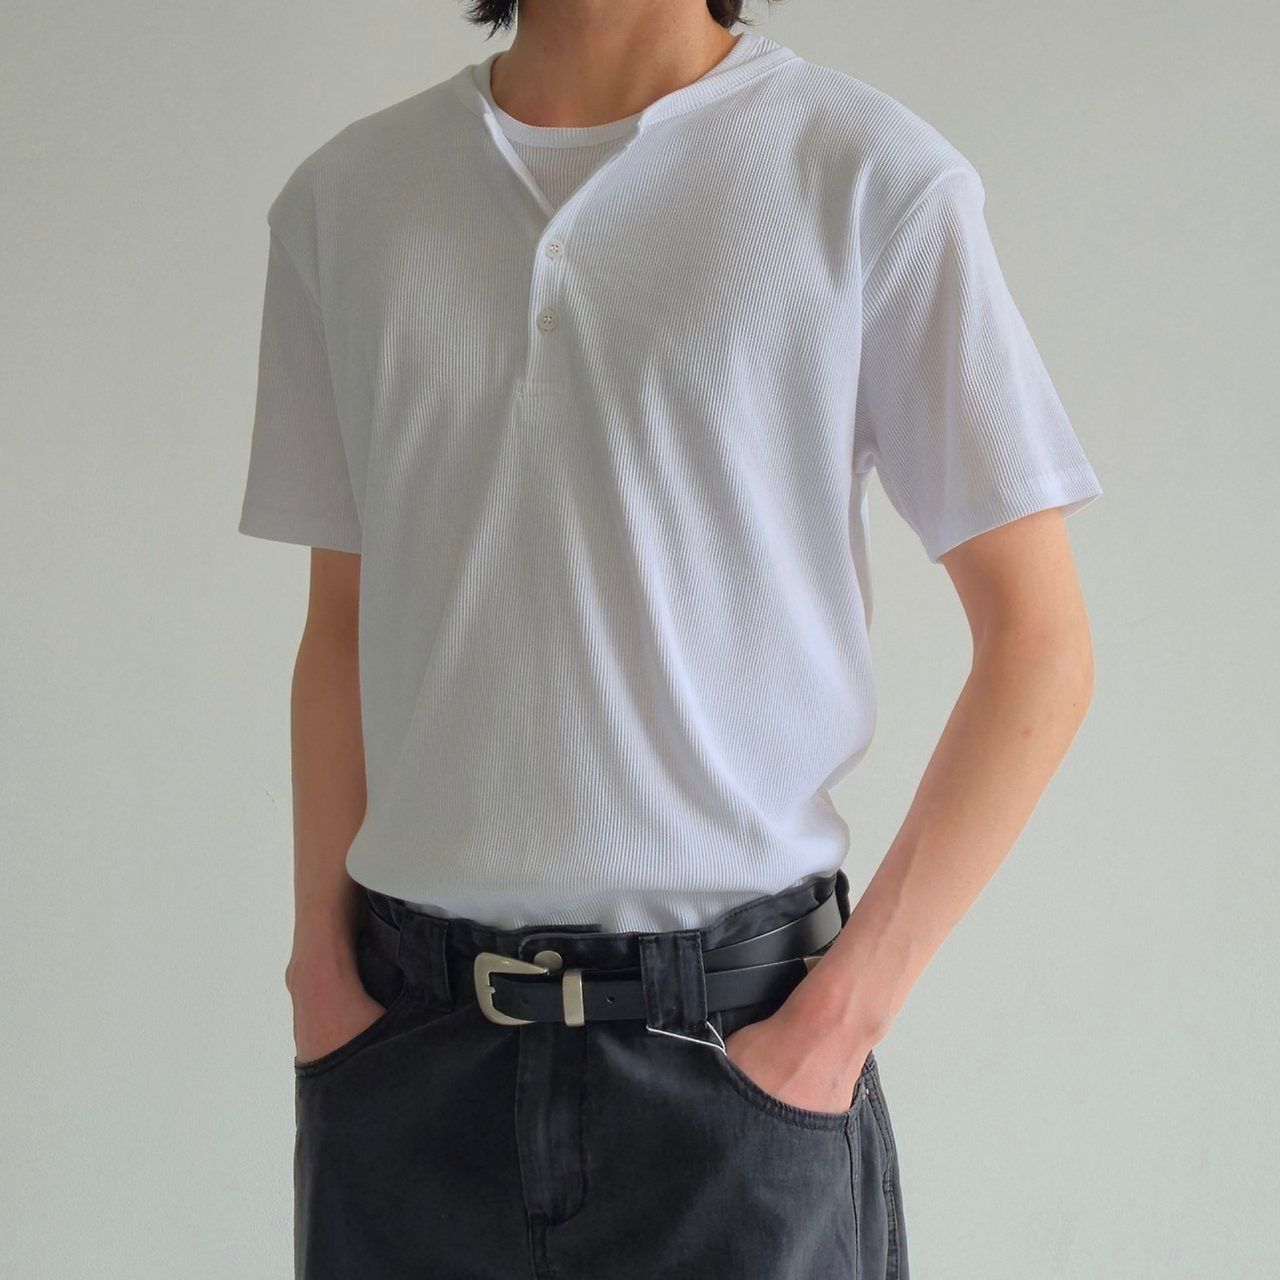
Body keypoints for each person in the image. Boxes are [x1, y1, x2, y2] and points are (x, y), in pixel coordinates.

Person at [237, 1, 1103, 1276]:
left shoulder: (864, 173)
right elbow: (344, 624)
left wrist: (834, 1022)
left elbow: (1038, 639)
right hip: (406, 1066)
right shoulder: (347, 198)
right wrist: (320, 974)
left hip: (736, 1071)